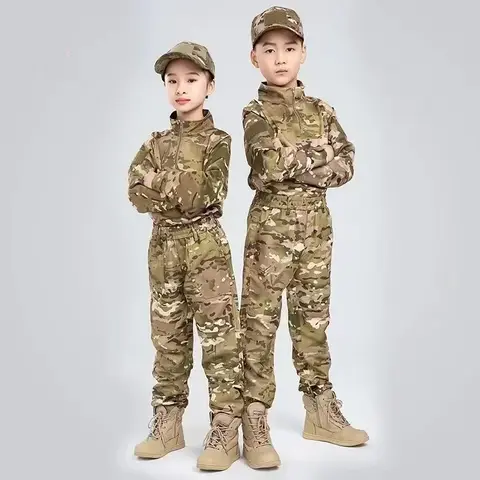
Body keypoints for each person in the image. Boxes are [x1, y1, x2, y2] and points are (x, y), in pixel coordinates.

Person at [239, 6, 369, 469]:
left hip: (315, 232)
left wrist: (296, 159)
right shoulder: (254, 112)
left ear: (303, 54)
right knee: (259, 324)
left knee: (313, 322)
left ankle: (321, 411)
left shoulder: (322, 110)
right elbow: (266, 163)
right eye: (269, 50)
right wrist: (321, 153)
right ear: (254, 58)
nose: (280, 58)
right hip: (269, 235)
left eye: (289, 49)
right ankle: (254, 420)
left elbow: (347, 163)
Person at [127, 41, 243, 472]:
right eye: (172, 80)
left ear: (209, 86)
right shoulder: (154, 142)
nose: (181, 88)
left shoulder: (219, 141)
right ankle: (168, 423)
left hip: (205, 248)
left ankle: (225, 428)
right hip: (163, 248)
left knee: (220, 340)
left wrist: (158, 182)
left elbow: (205, 194)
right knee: (168, 339)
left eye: (191, 79)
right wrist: (167, 186)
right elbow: (135, 192)